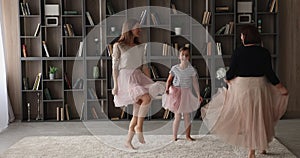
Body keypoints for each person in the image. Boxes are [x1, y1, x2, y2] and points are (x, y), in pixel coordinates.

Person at [201, 25, 288, 158]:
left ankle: (251, 151)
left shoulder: (238, 52)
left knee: (248, 119)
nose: (241, 37)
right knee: (260, 117)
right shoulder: (264, 52)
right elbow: (269, 73)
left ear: (245, 37)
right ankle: (261, 146)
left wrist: (227, 79)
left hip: (242, 88)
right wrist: (280, 86)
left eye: (242, 35)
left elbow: (231, 72)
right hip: (259, 87)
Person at [111, 19, 165, 149]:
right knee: (146, 98)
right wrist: (116, 85)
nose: (140, 30)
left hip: (138, 77)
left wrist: (150, 83)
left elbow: (145, 66)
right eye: (137, 28)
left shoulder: (141, 47)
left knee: (138, 109)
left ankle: (128, 141)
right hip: (125, 78)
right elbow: (115, 67)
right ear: (129, 29)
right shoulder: (118, 46)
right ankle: (139, 127)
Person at [162, 47, 203, 141]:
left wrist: (198, 95)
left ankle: (188, 136)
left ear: (189, 57)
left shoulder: (191, 69)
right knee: (177, 115)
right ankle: (174, 136)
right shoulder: (175, 68)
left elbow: (195, 83)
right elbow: (169, 80)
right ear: (179, 56)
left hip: (186, 93)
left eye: (186, 55)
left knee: (187, 115)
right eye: (182, 55)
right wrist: (167, 89)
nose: (184, 57)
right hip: (176, 93)